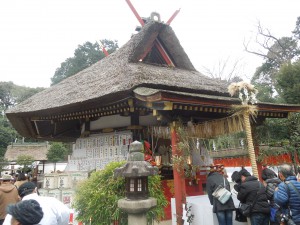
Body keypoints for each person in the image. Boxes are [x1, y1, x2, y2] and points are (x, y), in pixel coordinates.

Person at [3, 182, 70, 225]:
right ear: (35, 189)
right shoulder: (52, 201)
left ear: (19, 196)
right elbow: (66, 213)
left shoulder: (15, 211)